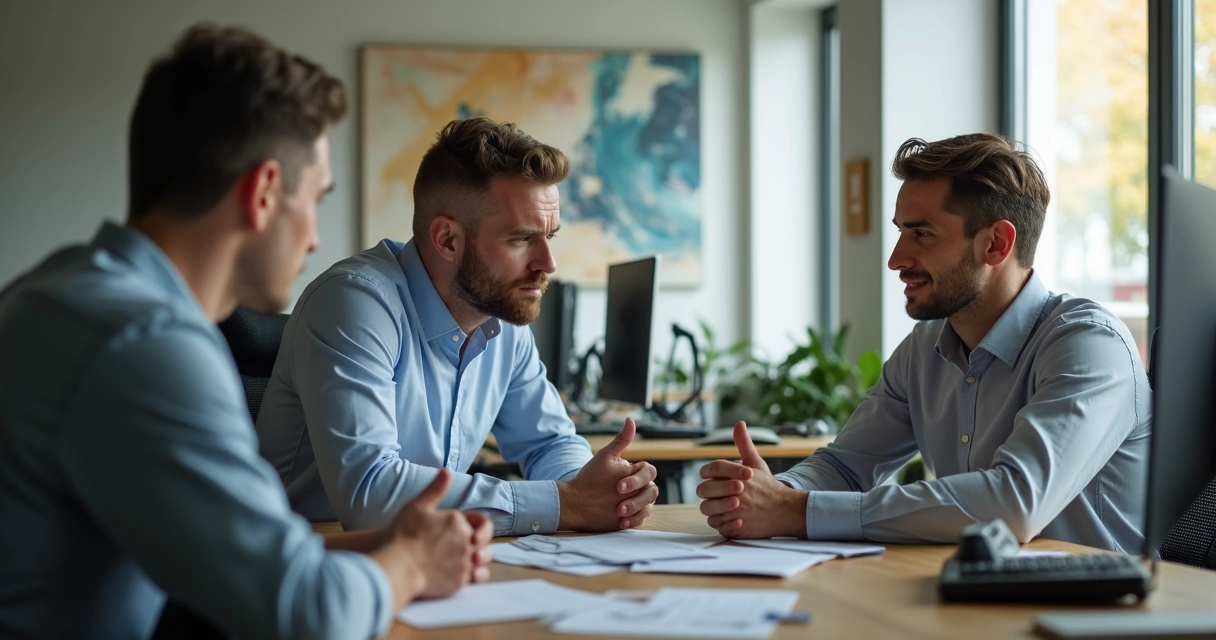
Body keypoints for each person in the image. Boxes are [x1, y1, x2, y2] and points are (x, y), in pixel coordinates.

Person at [0, 24, 491, 640]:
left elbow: (243, 558)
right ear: (262, 194)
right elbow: (308, 617)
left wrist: (394, 541)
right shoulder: (147, 345)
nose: (315, 238)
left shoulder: (62, 291)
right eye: (315, 198)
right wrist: (414, 562)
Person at [697, 133, 1150, 553]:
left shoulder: (1090, 346)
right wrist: (776, 492)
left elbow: (1015, 503)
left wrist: (796, 511)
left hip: (1099, 614)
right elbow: (846, 467)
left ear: (996, 244)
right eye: (900, 231)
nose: (896, 259)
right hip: (979, 600)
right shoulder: (925, 347)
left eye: (922, 234)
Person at [255, 117, 660, 536]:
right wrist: (566, 503)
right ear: (448, 239)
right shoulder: (354, 303)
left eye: (549, 237)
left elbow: (549, 443)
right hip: (303, 565)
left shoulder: (502, 316)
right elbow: (369, 492)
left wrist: (600, 488)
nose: (548, 264)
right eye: (521, 239)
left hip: (421, 559)